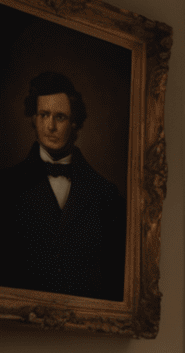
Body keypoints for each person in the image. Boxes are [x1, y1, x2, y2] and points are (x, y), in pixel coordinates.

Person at [0, 70, 127, 301]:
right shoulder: (6, 187)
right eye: (43, 115)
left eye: (60, 117)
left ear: (75, 122)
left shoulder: (105, 194)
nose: (50, 126)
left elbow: (115, 278)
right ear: (33, 118)